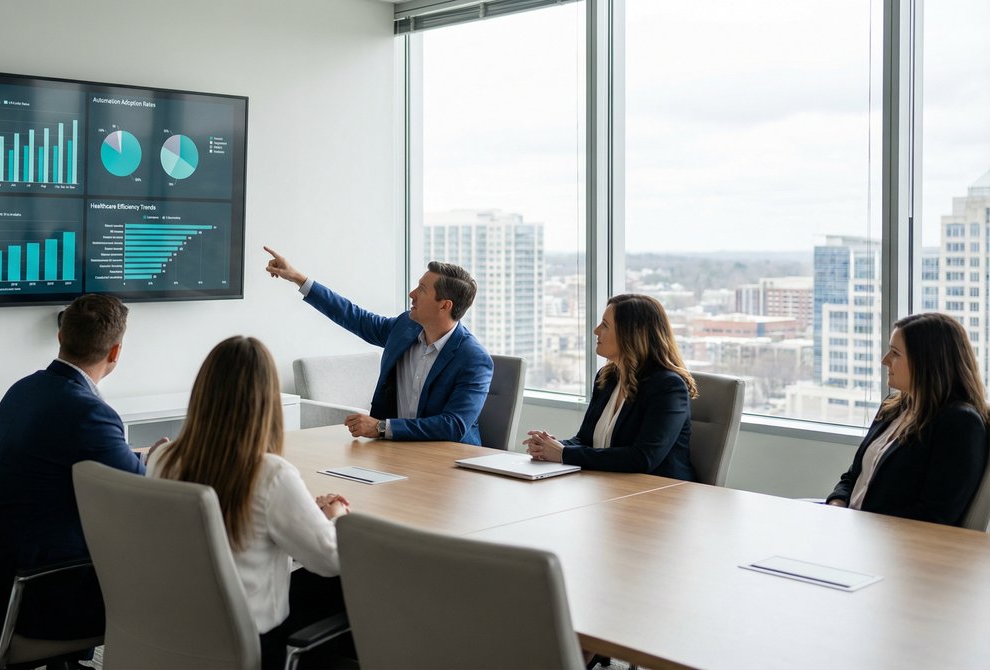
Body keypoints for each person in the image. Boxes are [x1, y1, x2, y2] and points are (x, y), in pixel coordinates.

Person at [0, 294, 163, 665]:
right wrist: (159, 459)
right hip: (39, 594)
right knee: (168, 580)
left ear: (61, 337)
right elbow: (143, 492)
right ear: (116, 352)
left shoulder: (23, 390)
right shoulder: (88, 412)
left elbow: (83, 459)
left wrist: (134, 456)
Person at [147, 336, 350, 669]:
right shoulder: (271, 474)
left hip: (178, 624)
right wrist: (336, 516)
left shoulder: (163, 458)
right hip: (249, 640)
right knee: (342, 587)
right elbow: (331, 560)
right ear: (266, 402)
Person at [264, 246, 493, 445]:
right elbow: (354, 317)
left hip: (450, 462)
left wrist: (382, 428)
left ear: (445, 305)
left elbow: (453, 425)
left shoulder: (474, 359)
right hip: (395, 451)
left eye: (422, 290)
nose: (412, 294)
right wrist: (298, 278)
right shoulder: (405, 327)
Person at [825, 312, 989, 526]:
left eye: (895, 353)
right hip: (851, 529)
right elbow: (852, 477)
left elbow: (935, 514)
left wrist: (862, 528)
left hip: (894, 546)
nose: (885, 360)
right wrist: (836, 507)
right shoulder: (893, 406)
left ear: (927, 360)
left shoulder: (960, 424)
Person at [524, 293, 697, 480]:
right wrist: (550, 446)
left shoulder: (668, 387)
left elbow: (643, 458)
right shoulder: (608, 377)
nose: (596, 330)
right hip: (609, 485)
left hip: (659, 494)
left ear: (630, 334)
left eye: (605, 325)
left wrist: (564, 454)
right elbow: (585, 440)